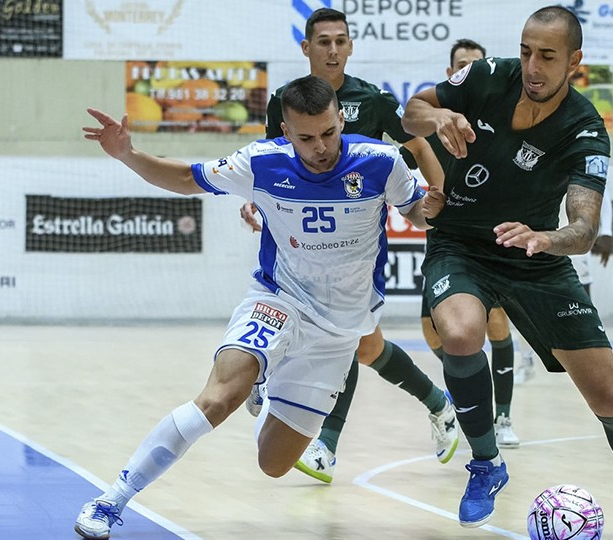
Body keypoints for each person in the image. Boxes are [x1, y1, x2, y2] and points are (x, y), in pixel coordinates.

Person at [74, 75, 446, 539]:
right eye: (306, 138)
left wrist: (427, 209)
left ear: (340, 119)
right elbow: (186, 178)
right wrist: (129, 154)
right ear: (286, 132)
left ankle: (267, 384)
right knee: (218, 399)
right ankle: (111, 499)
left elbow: (414, 209)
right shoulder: (262, 163)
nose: (321, 147)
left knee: (273, 463)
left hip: (339, 334)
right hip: (279, 300)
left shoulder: (380, 162)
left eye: (328, 132)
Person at [400, 6, 613, 538]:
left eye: (548, 56)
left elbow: (583, 227)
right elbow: (410, 111)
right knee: (460, 333)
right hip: (459, 243)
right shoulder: (486, 77)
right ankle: (486, 464)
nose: (532, 66)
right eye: (527, 51)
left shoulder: (584, 129)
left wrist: (545, 239)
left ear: (575, 62)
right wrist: (436, 117)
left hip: (536, 259)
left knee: (608, 397)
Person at [239, 7, 458, 484]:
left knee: (351, 340)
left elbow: (417, 146)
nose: (333, 49)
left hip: (352, 251)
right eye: (323, 41)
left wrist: (444, 206)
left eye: (341, 40)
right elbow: (269, 164)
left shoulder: (372, 100)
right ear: (307, 48)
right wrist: (255, 203)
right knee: (365, 347)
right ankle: (439, 405)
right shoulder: (285, 100)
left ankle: (326, 445)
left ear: (351, 46)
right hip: (300, 250)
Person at [416, 38, 519, 449]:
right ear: (450, 74)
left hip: (489, 242)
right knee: (433, 332)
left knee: (494, 326)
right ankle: (468, 399)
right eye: (462, 66)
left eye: (477, 65)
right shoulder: (433, 128)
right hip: (445, 242)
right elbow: (407, 161)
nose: (470, 72)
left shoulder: (502, 122)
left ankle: (502, 416)